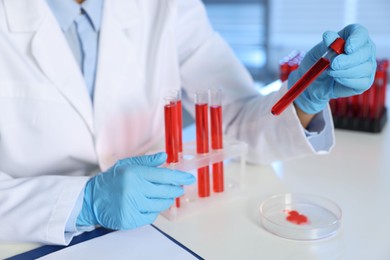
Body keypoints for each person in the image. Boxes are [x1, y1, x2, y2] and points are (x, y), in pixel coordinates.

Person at [0, 0, 376, 245]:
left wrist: (302, 97)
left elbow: (236, 120)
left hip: (162, 229)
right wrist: (82, 202)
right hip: (24, 238)